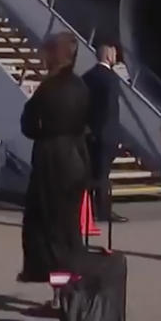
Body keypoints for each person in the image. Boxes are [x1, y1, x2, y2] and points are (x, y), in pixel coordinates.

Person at [18, 32, 90, 283]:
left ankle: (58, 290)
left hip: (52, 160)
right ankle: (73, 283)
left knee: (48, 228)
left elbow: (27, 125)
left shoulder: (48, 88)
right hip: (78, 157)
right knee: (69, 225)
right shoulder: (81, 86)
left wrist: (44, 131)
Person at [81, 44, 128, 224]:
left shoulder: (87, 77)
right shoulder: (111, 79)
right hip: (106, 133)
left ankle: (88, 207)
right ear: (108, 56)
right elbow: (110, 109)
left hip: (90, 133)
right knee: (102, 175)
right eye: (115, 54)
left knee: (92, 173)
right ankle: (103, 211)